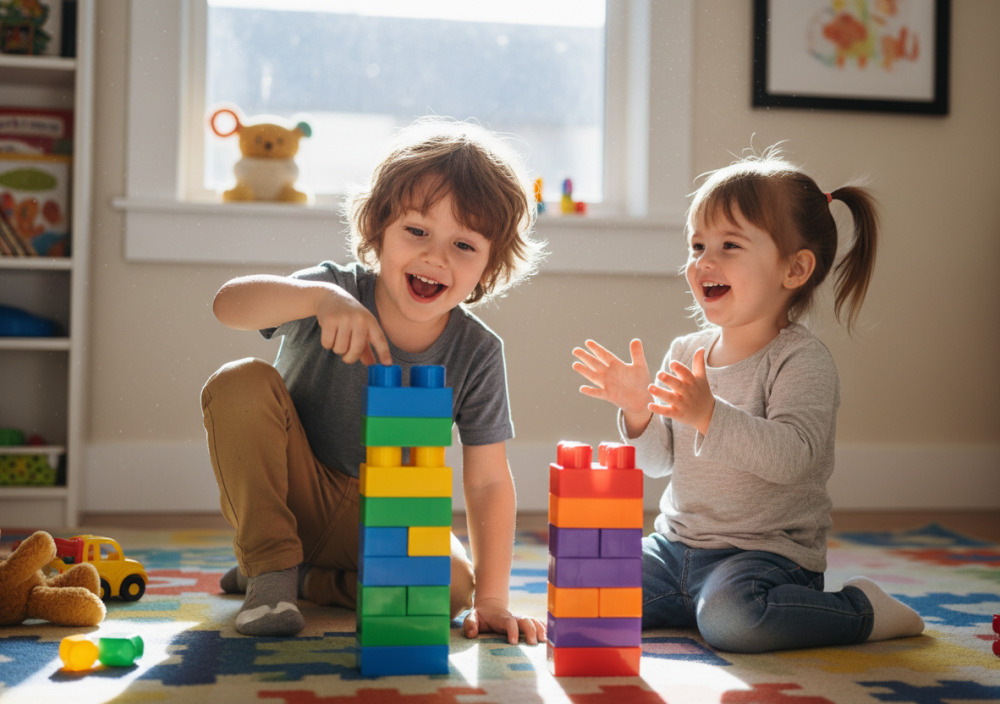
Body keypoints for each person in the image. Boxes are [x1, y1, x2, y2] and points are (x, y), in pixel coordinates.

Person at [202, 118, 546, 644]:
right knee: (239, 381)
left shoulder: (477, 351)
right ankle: (270, 572)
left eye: (463, 245)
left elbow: (488, 481)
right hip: (292, 494)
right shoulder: (333, 290)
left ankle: (310, 580)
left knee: (453, 586)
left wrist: (493, 601)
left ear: (489, 265)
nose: (435, 256)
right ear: (379, 228)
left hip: (386, 517)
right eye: (417, 231)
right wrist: (318, 299)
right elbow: (227, 305)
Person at [571, 147, 924, 653]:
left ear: (795, 269)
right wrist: (638, 411)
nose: (703, 261)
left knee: (733, 621)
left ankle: (861, 609)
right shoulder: (685, 351)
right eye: (697, 245)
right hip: (675, 549)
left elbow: (792, 458)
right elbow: (657, 463)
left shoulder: (801, 360)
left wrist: (709, 415)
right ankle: (695, 603)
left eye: (729, 245)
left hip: (767, 558)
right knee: (587, 591)